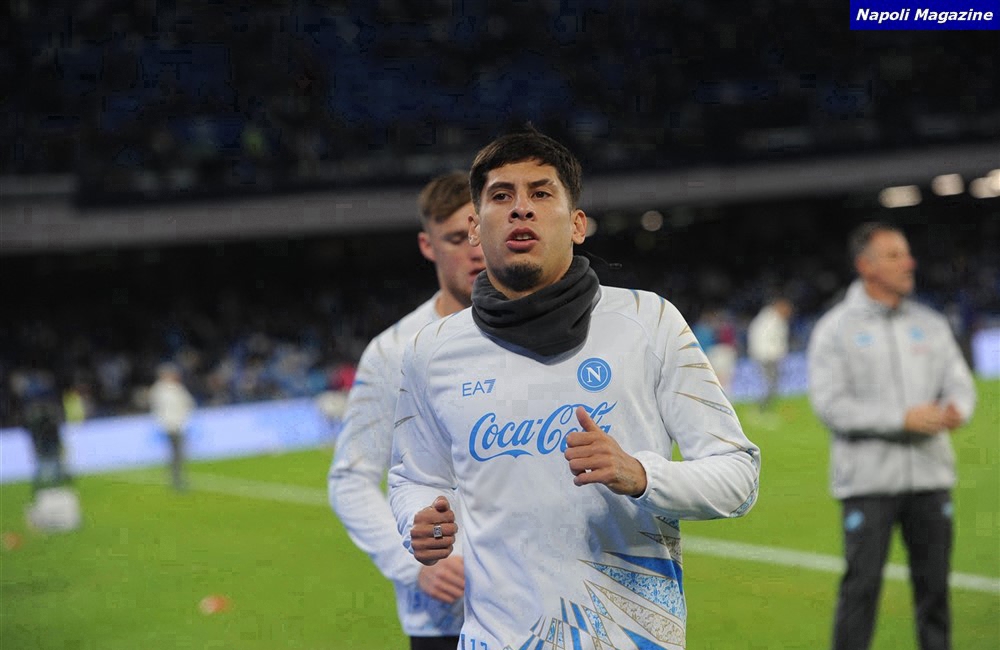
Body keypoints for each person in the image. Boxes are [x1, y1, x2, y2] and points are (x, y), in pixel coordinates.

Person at [388, 128, 761, 650]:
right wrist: (420, 519)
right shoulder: (431, 350)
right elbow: (414, 478)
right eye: (502, 195)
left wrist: (641, 475)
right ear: (474, 228)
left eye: (541, 193)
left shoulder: (648, 323)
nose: (521, 208)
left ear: (578, 224)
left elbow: (739, 477)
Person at [328, 171, 485, 650]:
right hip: (447, 618)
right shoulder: (394, 351)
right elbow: (351, 478)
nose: (475, 251)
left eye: (481, 232)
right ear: (427, 245)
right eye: (455, 238)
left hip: (543, 605)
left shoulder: (539, 337)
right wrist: (411, 565)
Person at [807, 222, 976, 650]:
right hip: (868, 484)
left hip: (931, 478)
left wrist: (957, 409)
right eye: (895, 255)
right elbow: (830, 405)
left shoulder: (930, 324)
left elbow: (961, 385)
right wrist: (900, 419)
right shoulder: (834, 329)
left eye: (907, 253)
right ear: (866, 266)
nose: (909, 263)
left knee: (935, 591)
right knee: (861, 591)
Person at [148, 362, 196, 492]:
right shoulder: (162, 389)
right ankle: (176, 479)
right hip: (171, 425)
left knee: (177, 453)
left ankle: (176, 477)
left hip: (177, 424)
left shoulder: (170, 388)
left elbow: (189, 403)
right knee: (176, 453)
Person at [747, 296, 793, 411]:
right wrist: (777, 354)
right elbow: (771, 340)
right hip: (767, 356)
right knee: (771, 383)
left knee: (772, 383)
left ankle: (764, 407)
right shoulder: (770, 321)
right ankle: (761, 407)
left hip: (766, 355)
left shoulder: (768, 319)